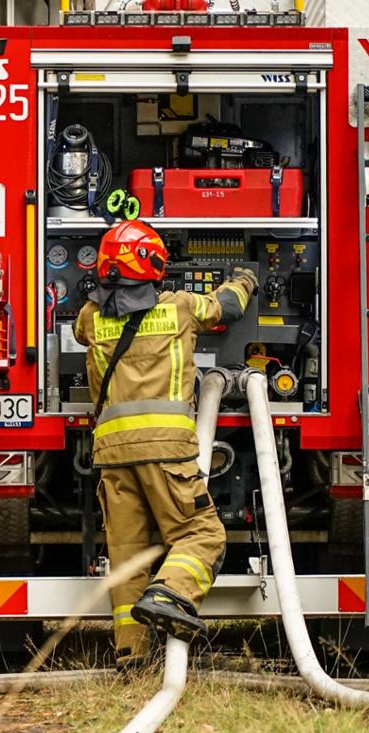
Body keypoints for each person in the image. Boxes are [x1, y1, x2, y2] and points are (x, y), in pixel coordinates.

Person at [75, 220, 258, 669]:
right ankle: (172, 593)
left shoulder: (89, 318)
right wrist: (248, 277)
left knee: (126, 555)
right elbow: (227, 306)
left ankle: (131, 657)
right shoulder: (179, 307)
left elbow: (85, 330)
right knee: (203, 534)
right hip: (167, 451)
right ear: (155, 266)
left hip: (112, 454)